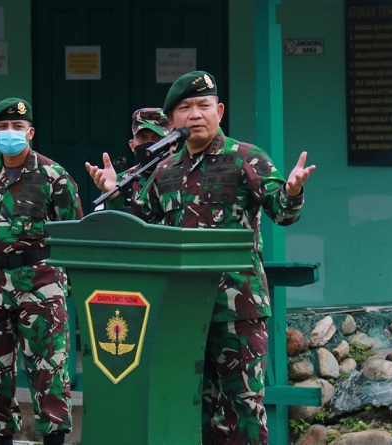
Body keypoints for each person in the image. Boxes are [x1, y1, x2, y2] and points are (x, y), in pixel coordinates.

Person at [86, 71, 315, 444]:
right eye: (186, 108)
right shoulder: (164, 169)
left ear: (219, 111)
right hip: (183, 309)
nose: (195, 114)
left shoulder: (245, 158)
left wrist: (292, 192)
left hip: (237, 306)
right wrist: (114, 193)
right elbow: (143, 225)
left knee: (243, 406)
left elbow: (282, 213)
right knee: (198, 407)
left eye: (204, 106)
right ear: (172, 120)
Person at [0, 97, 83, 445]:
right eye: (3, 127)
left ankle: (53, 439)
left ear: (30, 132)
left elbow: (72, 230)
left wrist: (64, 283)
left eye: (18, 127)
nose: (10, 133)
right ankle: (0, 437)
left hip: (41, 281)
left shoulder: (54, 176)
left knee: (48, 369)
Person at [98, 107, 173, 212]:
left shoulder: (185, 175)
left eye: (157, 138)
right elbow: (105, 223)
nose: (149, 145)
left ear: (174, 144)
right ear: (132, 145)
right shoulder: (120, 182)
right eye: (142, 138)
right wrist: (114, 195)